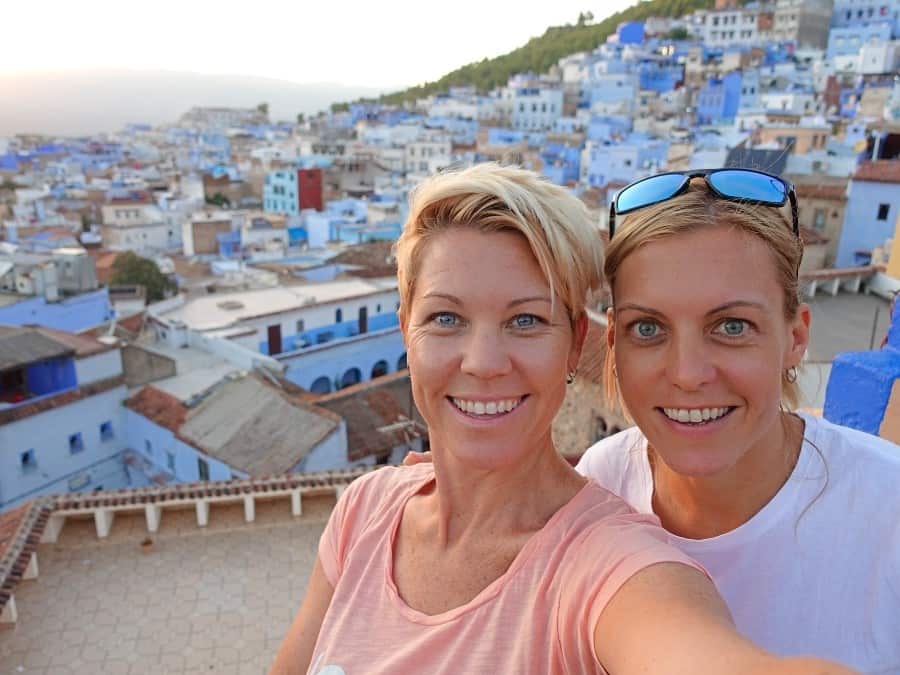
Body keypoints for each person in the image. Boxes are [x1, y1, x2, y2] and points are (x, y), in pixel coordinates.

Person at [271, 164, 854, 675]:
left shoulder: (608, 561)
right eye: (446, 318)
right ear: (405, 331)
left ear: (575, 345)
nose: (483, 364)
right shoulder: (365, 512)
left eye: (526, 321)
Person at [575, 168, 900, 672]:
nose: (687, 374)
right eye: (648, 327)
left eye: (731, 326)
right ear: (614, 346)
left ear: (795, 337)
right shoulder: (601, 482)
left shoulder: (888, 508)